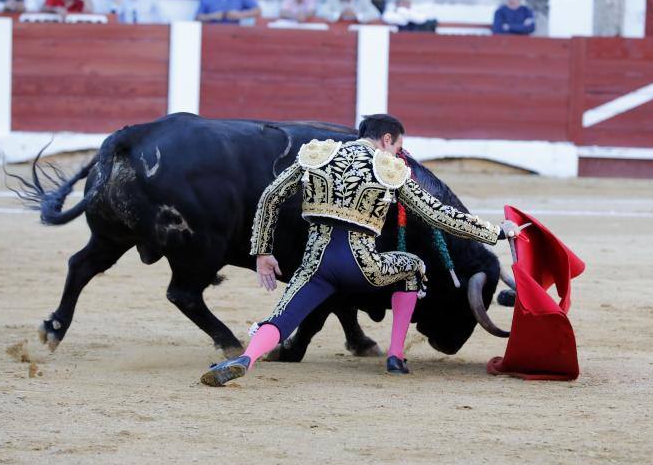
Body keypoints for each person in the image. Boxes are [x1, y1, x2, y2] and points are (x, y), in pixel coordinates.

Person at [200, 114, 521, 387]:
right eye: (398, 146)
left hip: (316, 264)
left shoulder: (317, 156)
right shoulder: (390, 170)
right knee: (412, 267)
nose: (399, 153)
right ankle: (395, 355)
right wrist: (496, 232)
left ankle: (246, 358)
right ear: (386, 140)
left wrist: (262, 251)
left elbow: (270, 196)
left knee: (280, 319)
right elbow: (437, 215)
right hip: (365, 264)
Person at [195, 0, 261, 24]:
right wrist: (212, 16)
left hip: (235, 34)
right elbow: (198, 18)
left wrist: (240, 15)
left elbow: (258, 11)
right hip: (211, 34)